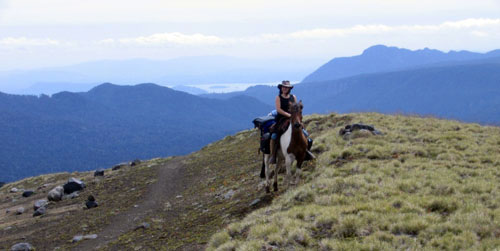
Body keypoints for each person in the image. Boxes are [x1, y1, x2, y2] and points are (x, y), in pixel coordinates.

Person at [269, 80, 297, 164]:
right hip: (281, 119)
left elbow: (296, 107)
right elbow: (278, 109)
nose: (284, 88)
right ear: (281, 88)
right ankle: (273, 155)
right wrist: (288, 115)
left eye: (286, 87)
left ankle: (305, 151)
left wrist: (294, 115)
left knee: (303, 132)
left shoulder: (293, 97)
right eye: (283, 87)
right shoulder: (278, 97)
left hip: (293, 118)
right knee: (274, 135)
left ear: (289, 88)